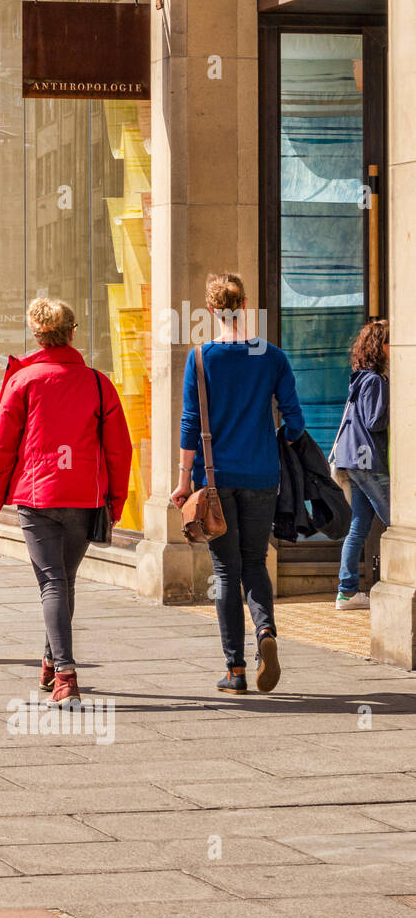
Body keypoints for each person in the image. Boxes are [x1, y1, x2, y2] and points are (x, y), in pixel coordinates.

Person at [0, 299, 132, 705]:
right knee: (64, 581)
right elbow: (119, 449)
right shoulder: (99, 383)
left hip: (37, 496)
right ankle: (50, 663)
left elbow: (1, 448)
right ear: (73, 332)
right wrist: (116, 500)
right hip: (83, 497)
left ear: (37, 335)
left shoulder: (23, 382)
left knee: (52, 582)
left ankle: (64, 674)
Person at [171, 273, 305, 696]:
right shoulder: (273, 357)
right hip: (263, 476)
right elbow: (295, 423)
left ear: (211, 310)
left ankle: (236, 670)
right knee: (254, 562)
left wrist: (180, 481)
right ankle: (265, 629)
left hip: (215, 482)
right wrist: (274, 440)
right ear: (245, 304)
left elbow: (190, 423)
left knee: (226, 570)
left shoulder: (200, 357)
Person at [333, 319, 391, 610]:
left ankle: (347, 592)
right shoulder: (375, 381)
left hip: (353, 460)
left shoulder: (359, 378)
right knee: (400, 521)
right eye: (390, 342)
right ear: (380, 347)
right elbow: (374, 420)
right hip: (367, 462)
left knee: (359, 526)